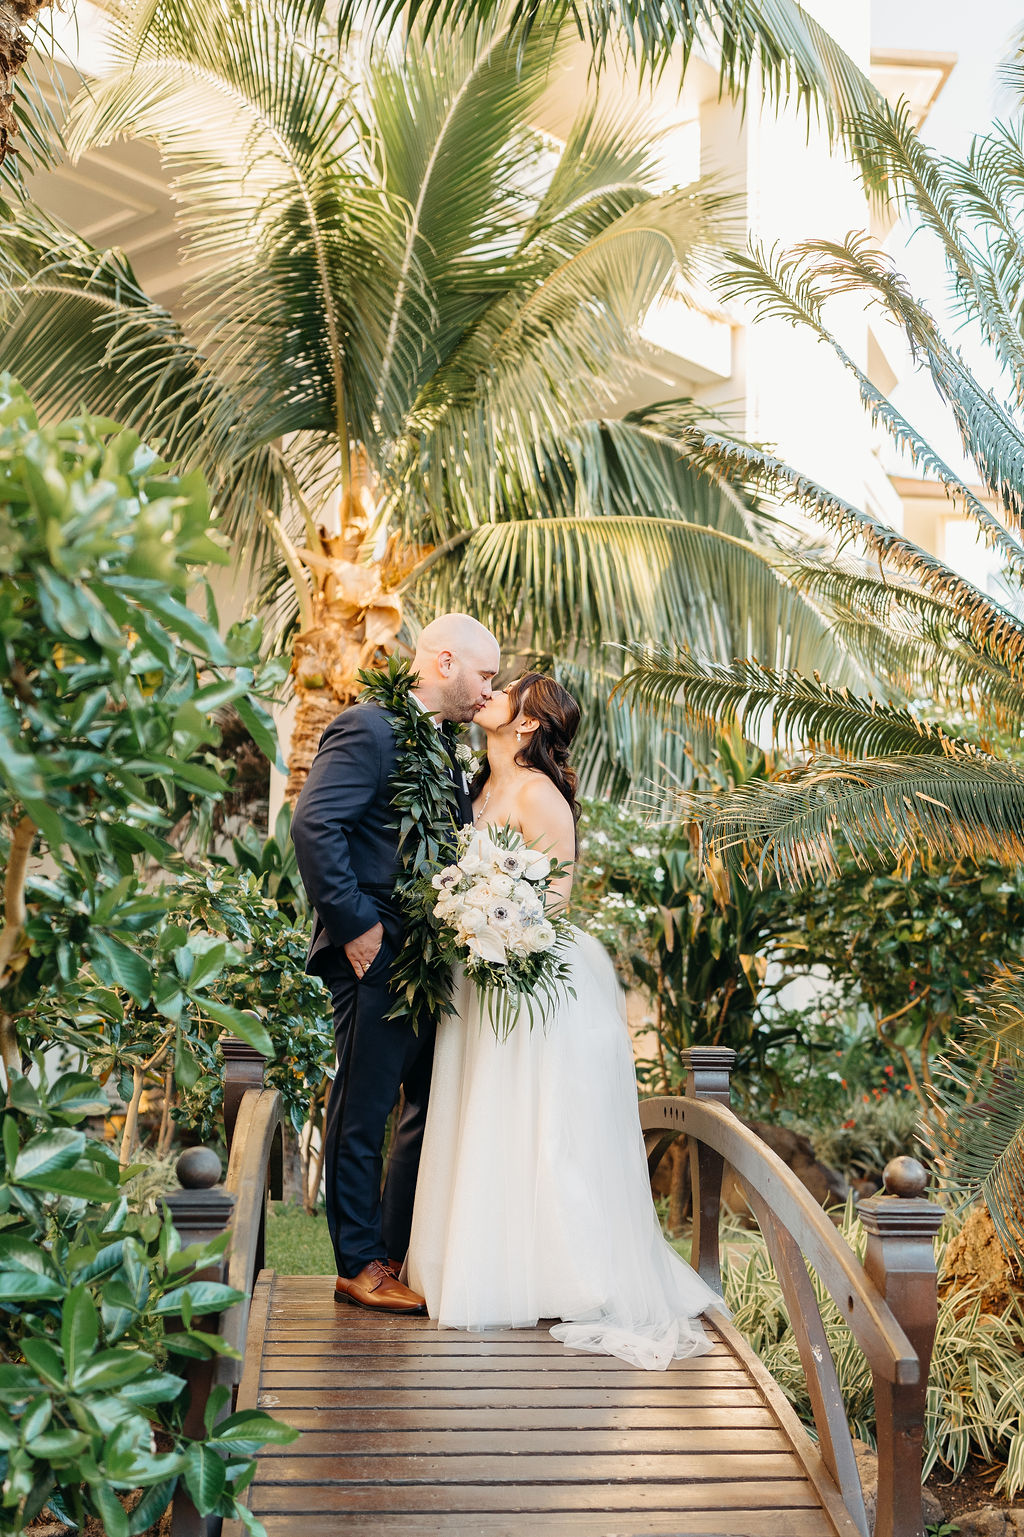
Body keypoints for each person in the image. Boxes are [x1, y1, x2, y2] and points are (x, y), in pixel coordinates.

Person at [405, 672, 723, 1367]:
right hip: (477, 963)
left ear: (526, 724)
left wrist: (494, 923)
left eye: (506, 689)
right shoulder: (479, 786)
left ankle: (561, 1271)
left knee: (537, 1123)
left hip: (526, 971)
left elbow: (552, 900)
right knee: (483, 1116)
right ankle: (482, 1259)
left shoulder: (538, 795)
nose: (489, 692)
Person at [291, 613, 501, 1314]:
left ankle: (393, 1249)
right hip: (377, 955)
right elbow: (315, 824)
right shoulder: (370, 727)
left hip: (432, 959)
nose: (488, 692)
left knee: (423, 1109)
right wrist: (357, 928)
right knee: (363, 1109)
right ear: (443, 662)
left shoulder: (444, 746)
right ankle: (356, 1265)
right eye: (485, 676)